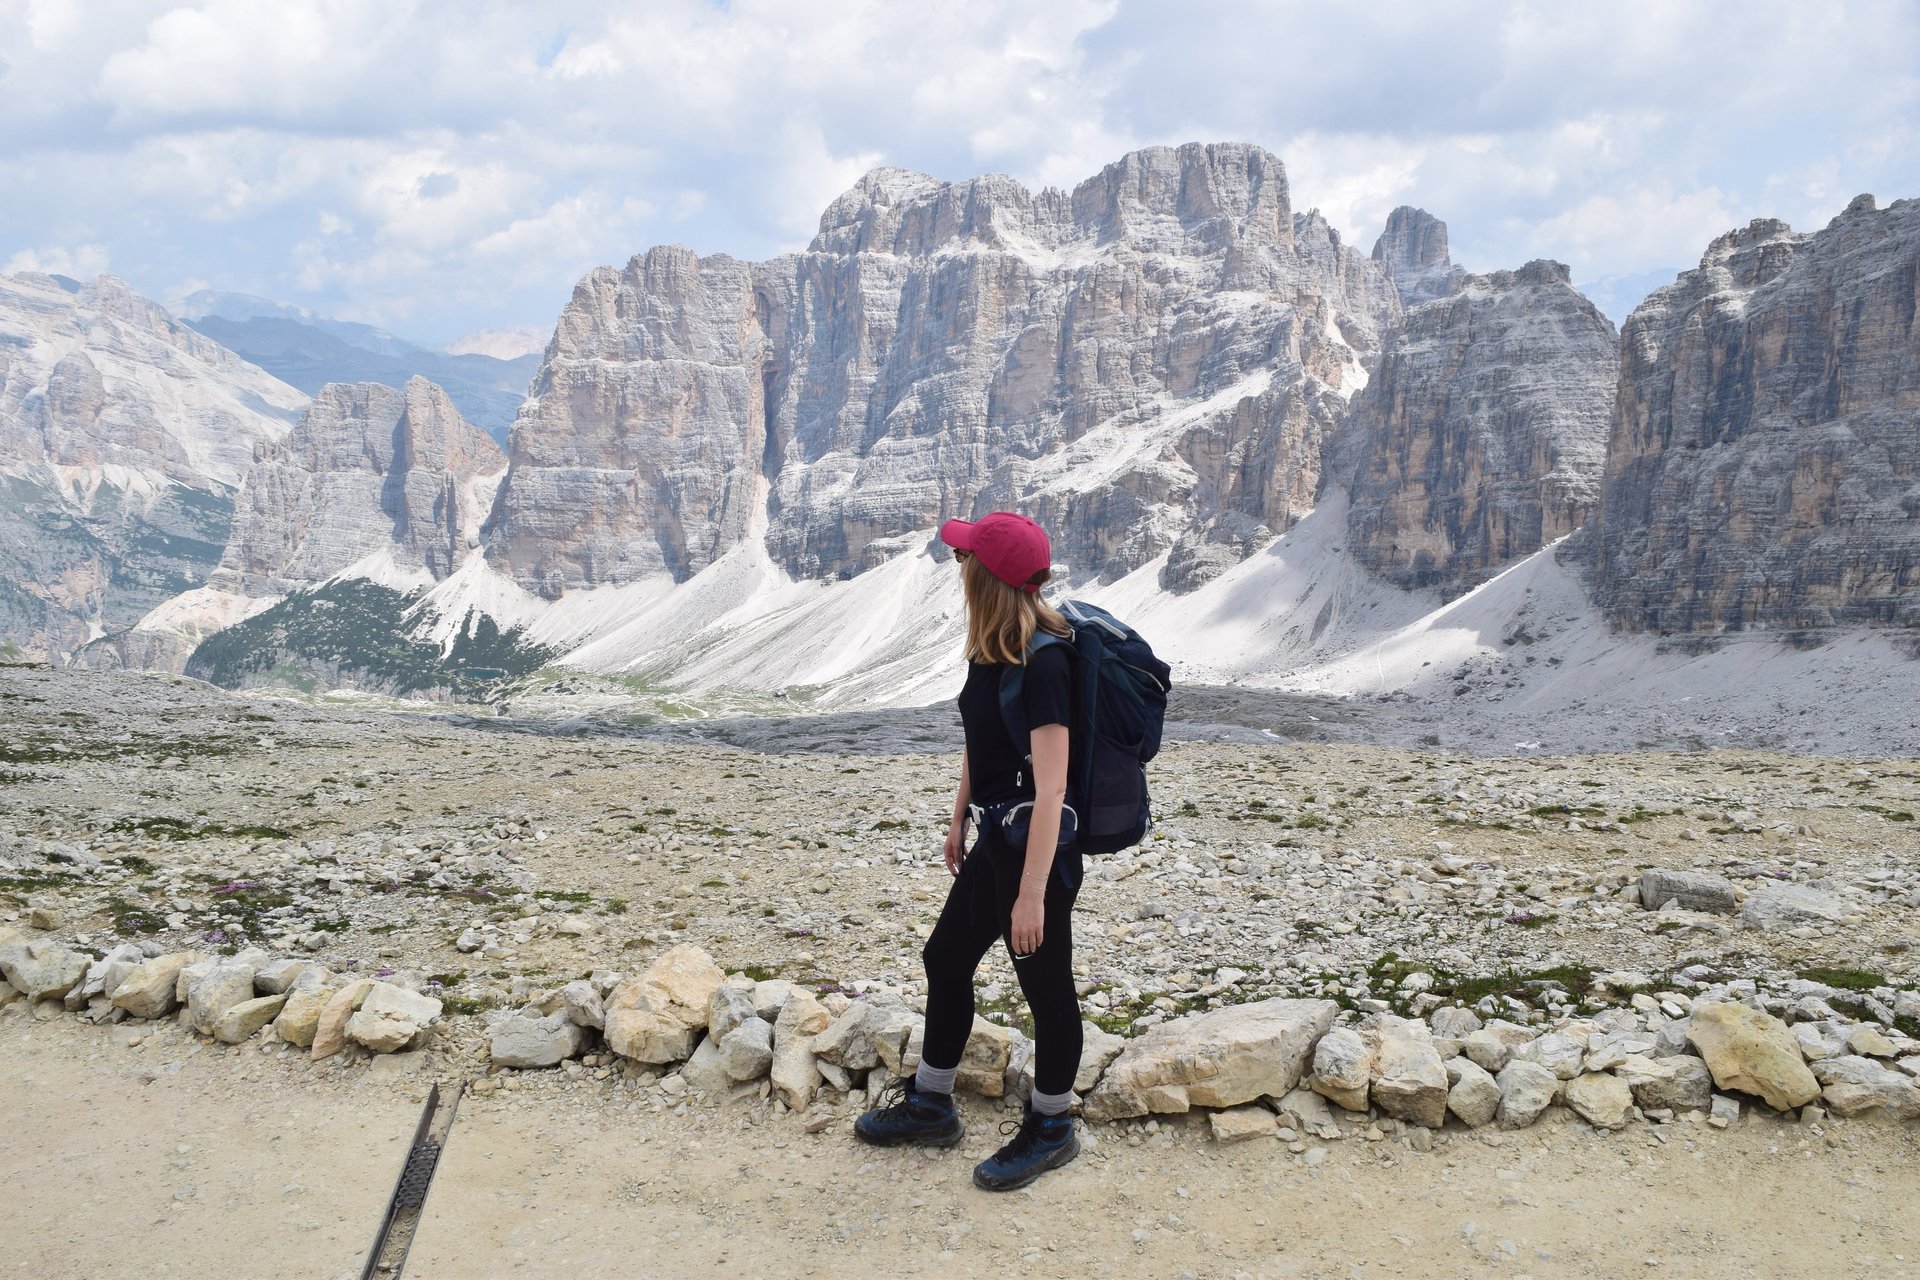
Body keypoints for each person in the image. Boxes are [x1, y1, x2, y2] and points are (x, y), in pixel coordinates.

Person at [854, 510, 1084, 1191]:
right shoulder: (992, 650)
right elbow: (979, 744)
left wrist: (1033, 891)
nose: (955, 568)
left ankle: (1052, 1126)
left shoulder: (1046, 660)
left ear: (986, 576)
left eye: (963, 560)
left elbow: (1053, 788)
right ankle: (931, 1105)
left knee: (1045, 989)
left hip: (1036, 853)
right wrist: (958, 818)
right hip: (995, 839)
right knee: (945, 957)